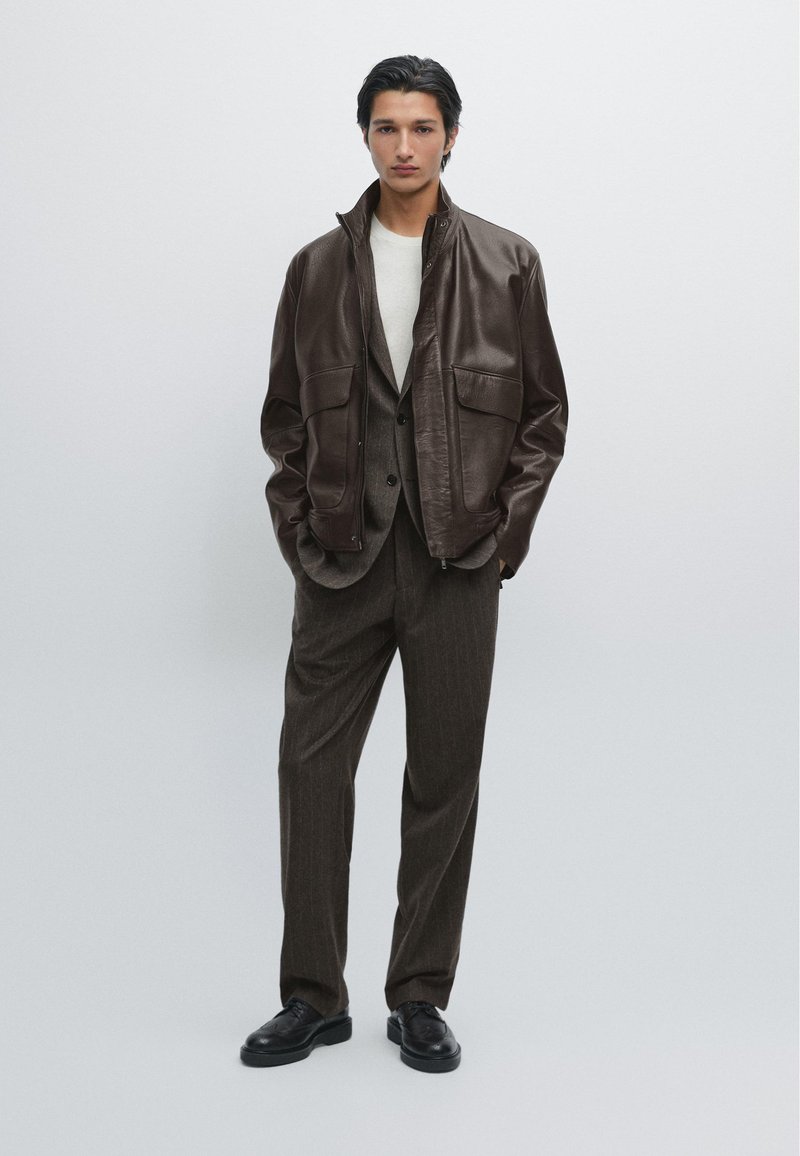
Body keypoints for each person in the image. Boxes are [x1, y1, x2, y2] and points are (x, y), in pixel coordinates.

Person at [240, 54, 568, 1073]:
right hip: (340, 563)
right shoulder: (315, 269)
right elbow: (285, 421)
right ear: (366, 137)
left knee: (442, 779)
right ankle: (311, 996)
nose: (404, 145)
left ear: (451, 136)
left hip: (454, 564)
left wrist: (500, 541)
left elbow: (543, 418)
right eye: (386, 126)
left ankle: (419, 994)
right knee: (310, 771)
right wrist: (301, 536)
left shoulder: (506, 264)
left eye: (423, 127)